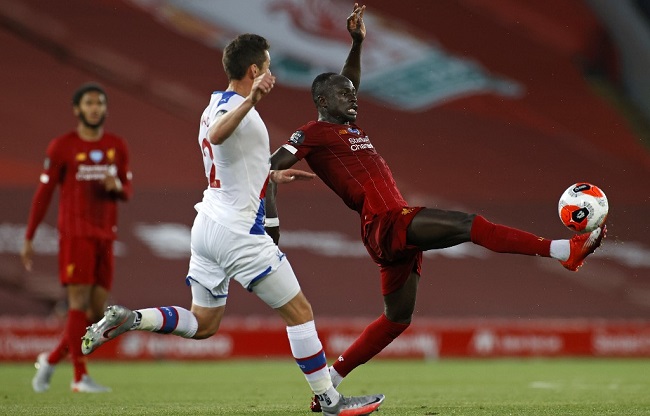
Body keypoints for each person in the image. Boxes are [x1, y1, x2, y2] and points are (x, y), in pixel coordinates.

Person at [265, 3, 607, 412]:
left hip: (389, 231)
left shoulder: (346, 126)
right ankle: (562, 252)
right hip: (387, 222)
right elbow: (269, 168)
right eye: (343, 95)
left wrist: (356, 43)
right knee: (468, 224)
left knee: (396, 319)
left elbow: (347, 80)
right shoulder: (312, 132)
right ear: (322, 99)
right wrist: (271, 220)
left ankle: (329, 386)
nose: (353, 99)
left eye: (354, 94)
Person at [81, 29, 384, 416]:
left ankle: (132, 318)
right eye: (269, 67)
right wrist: (254, 99)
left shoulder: (213, 103)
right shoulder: (232, 109)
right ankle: (329, 400)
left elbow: (228, 160)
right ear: (255, 70)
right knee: (300, 313)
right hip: (239, 231)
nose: (271, 74)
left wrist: (270, 176)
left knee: (204, 323)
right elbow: (219, 135)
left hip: (208, 224)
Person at [22, 82, 133, 393]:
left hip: (105, 236)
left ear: (105, 109)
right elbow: (43, 194)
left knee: (98, 312)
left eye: (99, 103)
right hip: (75, 235)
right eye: (89, 103)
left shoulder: (117, 145)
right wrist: (29, 236)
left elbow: (127, 189)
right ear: (77, 109)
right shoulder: (62, 146)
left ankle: (51, 359)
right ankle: (79, 377)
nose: (95, 108)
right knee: (77, 302)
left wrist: (117, 188)